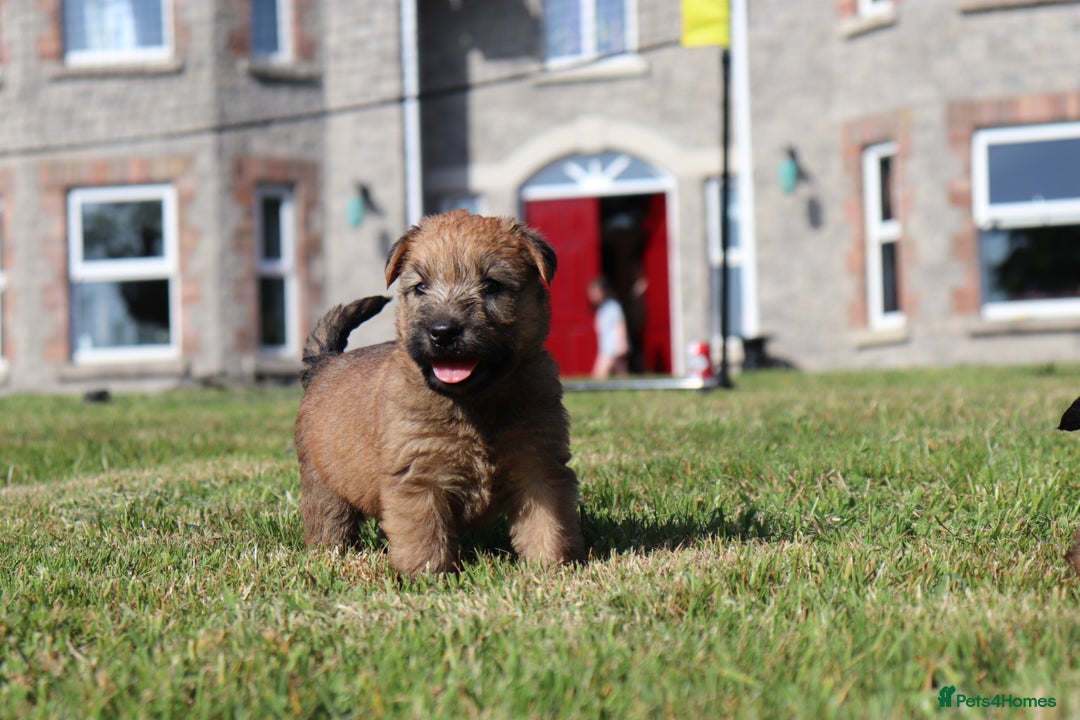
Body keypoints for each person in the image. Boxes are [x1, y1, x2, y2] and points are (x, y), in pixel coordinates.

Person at [587, 276, 629, 379]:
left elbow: (620, 324)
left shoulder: (612, 306)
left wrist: (622, 343)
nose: (592, 296)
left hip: (612, 347)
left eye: (595, 293)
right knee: (621, 374)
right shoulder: (602, 308)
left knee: (599, 375)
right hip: (606, 346)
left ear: (602, 291)